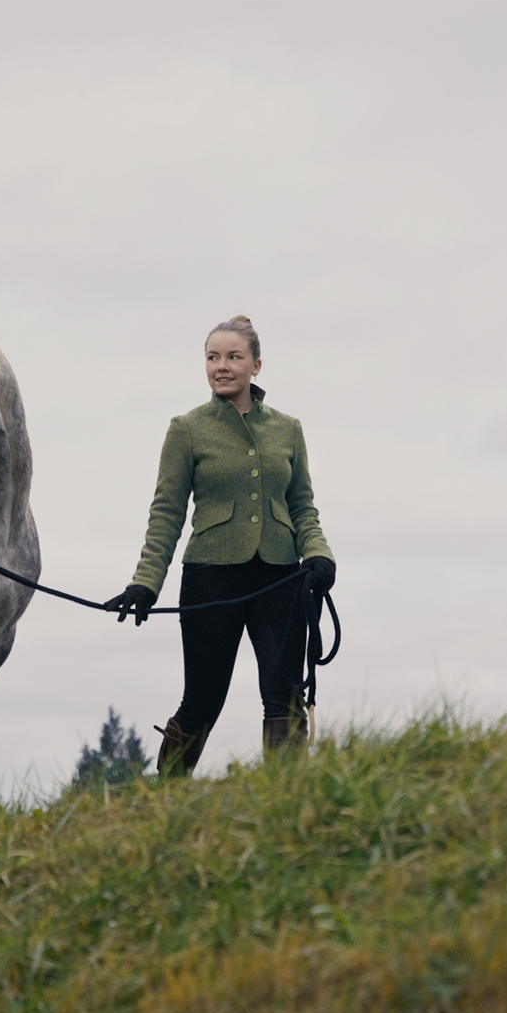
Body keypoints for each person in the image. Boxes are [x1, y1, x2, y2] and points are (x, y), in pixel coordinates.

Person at [104, 316, 336, 775]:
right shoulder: (186, 429)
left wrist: (318, 552)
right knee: (203, 699)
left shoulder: (288, 430)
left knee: (284, 695)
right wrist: (145, 584)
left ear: (256, 365)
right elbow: (166, 513)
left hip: (280, 577)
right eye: (213, 358)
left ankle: (285, 806)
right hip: (210, 580)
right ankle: (168, 797)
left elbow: (303, 504)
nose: (222, 367)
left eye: (233, 357)